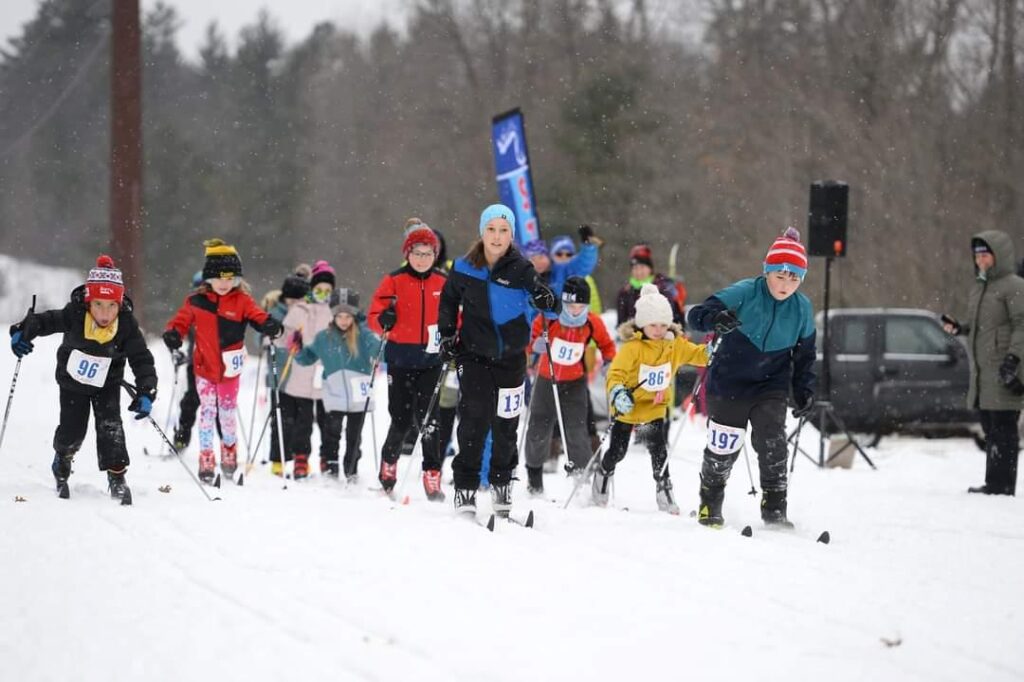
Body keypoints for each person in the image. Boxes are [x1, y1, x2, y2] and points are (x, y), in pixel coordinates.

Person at [687, 227, 817, 528]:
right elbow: (697, 315)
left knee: (773, 443)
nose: (786, 285)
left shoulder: (802, 309)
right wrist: (716, 319)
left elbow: (805, 356)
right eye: (780, 276)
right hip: (730, 380)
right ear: (767, 271)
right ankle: (710, 504)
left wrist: (805, 390)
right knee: (724, 447)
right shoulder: (746, 291)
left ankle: (774, 508)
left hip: (770, 384)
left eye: (794, 278)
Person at [438, 204, 560, 516]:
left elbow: (548, 304)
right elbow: (449, 299)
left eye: (503, 230)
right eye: (491, 229)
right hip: (473, 355)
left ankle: (502, 484)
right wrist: (447, 333)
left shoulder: (522, 269)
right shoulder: (465, 267)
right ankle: (465, 487)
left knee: (506, 425)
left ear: (511, 235)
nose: (496, 236)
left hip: (511, 358)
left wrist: (549, 302)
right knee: (474, 419)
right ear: (482, 231)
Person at [9, 255, 156, 503]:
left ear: (119, 304)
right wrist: (24, 331)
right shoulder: (75, 314)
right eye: (98, 304)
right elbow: (47, 321)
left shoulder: (126, 324)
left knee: (111, 428)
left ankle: (117, 476)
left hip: (108, 383)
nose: (105, 313)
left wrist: (146, 391)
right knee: (72, 430)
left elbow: (141, 358)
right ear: (89, 302)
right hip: (73, 382)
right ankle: (62, 459)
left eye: (112, 306)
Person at [164, 239, 282, 483]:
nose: (224, 284)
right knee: (207, 412)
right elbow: (181, 322)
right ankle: (206, 456)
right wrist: (174, 334)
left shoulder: (241, 300)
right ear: (209, 278)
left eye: (230, 279)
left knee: (227, 414)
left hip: (230, 370)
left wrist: (268, 324)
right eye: (219, 278)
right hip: (204, 368)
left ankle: (229, 449)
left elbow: (257, 316)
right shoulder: (196, 301)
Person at [592, 283, 708, 513]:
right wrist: (617, 393)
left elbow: (696, 354)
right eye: (653, 324)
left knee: (658, 450)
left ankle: (663, 489)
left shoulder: (673, 345)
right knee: (618, 450)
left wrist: (712, 351)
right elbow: (615, 374)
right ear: (642, 323)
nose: (658, 329)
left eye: (663, 324)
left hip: (654, 408)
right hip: (628, 406)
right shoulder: (632, 348)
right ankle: (603, 472)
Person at [367, 219, 448, 500]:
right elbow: (374, 315)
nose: (422, 259)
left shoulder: (443, 281)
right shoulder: (394, 280)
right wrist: (384, 320)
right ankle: (389, 463)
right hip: (400, 359)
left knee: (430, 420)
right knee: (400, 417)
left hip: (431, 360)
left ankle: (432, 474)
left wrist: (453, 337)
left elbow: (456, 317)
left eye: (428, 254)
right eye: (417, 253)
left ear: (435, 255)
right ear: (407, 254)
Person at [942, 230, 1024, 496]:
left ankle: (1003, 485)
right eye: (977, 255)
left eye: (985, 254)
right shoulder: (979, 287)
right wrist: (960, 328)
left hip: (1004, 370)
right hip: (983, 371)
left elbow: (1021, 325)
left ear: (998, 256)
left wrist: (1014, 359)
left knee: (1004, 429)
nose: (980, 260)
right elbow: (983, 327)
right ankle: (994, 482)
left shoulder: (1014, 286)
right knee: (990, 427)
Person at [524, 276, 616, 496]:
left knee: (576, 427)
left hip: (575, 381)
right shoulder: (549, 319)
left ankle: (580, 477)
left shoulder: (592, 322)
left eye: (580, 306)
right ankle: (534, 477)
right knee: (539, 426)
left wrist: (610, 361)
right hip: (547, 378)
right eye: (570, 306)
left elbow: (607, 344)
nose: (575, 311)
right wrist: (535, 348)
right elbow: (528, 344)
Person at [293, 289, 380, 481]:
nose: (343, 320)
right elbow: (307, 358)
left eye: (348, 316)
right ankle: (331, 466)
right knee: (332, 431)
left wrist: (383, 333)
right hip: (335, 391)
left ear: (354, 315)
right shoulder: (324, 337)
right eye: (339, 316)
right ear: (333, 315)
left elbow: (380, 351)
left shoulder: (364, 335)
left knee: (354, 435)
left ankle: (351, 469)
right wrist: (297, 350)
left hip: (359, 392)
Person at [279, 260, 335, 479]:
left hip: (325, 376)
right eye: (318, 290)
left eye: (327, 290)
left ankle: (327, 458)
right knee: (302, 422)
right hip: (302, 373)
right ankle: (301, 457)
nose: (322, 294)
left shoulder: (334, 312)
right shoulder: (300, 309)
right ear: (312, 289)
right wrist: (291, 340)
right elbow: (285, 335)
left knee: (328, 421)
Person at [264, 267, 310, 475]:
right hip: (280, 378)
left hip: (302, 379)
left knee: (303, 421)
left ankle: (301, 457)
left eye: (298, 301)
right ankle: (278, 459)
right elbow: (263, 337)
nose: (294, 305)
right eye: (290, 301)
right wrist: (274, 338)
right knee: (281, 420)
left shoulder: (308, 314)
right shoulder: (276, 313)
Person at [172, 270, 204, 451]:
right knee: (191, 400)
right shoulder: (191, 306)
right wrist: (174, 343)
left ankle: (227, 447)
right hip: (196, 363)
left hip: (219, 365)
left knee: (218, 408)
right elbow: (179, 326)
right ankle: (181, 439)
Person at [616, 243, 684, 327]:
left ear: (650, 269)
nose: (639, 272)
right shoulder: (625, 293)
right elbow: (622, 323)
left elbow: (674, 316)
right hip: (634, 337)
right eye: (635, 268)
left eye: (642, 267)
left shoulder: (663, 288)